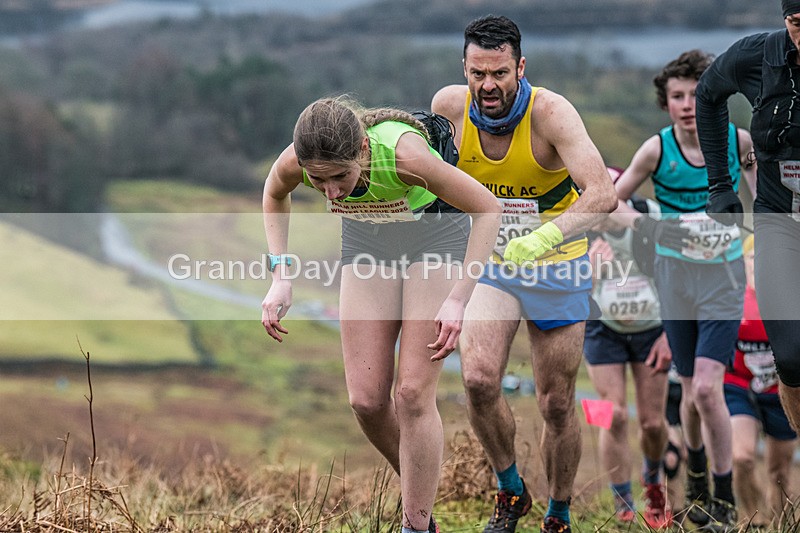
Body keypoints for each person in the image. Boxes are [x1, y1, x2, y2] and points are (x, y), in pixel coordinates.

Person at [260, 96, 501, 533]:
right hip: (369, 241)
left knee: (411, 395)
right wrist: (281, 275)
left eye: (340, 177)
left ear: (363, 154)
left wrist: (459, 298)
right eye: (319, 181)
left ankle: (415, 523)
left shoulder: (406, 156)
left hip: (435, 235)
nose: (330, 192)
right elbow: (274, 192)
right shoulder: (301, 157)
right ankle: (421, 491)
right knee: (367, 401)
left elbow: (488, 209)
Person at [431, 15, 618, 533]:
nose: (487, 86)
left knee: (556, 401)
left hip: (556, 261)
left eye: (499, 73)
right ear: (464, 68)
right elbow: (435, 185)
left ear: (520, 67)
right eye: (477, 73)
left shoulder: (551, 113)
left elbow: (603, 193)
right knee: (477, 379)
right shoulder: (447, 108)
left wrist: (546, 235)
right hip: (491, 264)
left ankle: (558, 512)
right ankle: (510, 491)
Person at [613, 49, 757, 532]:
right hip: (675, 284)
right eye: (678, 96)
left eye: (697, 94)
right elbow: (611, 206)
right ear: (666, 102)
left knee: (709, 391)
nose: (688, 104)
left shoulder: (739, 143)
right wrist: (657, 230)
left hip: (724, 281)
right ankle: (694, 475)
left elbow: (765, 204)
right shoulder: (656, 150)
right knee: (693, 395)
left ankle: (722, 497)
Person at [695, 0, 800, 473]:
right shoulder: (757, 56)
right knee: (793, 358)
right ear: (785, 19)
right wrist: (721, 185)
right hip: (779, 221)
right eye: (799, 25)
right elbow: (708, 95)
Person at [583, 187, 673, 529]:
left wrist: (670, 335)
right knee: (613, 414)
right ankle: (622, 502)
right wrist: (589, 274)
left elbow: (676, 275)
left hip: (653, 330)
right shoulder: (579, 227)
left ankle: (653, 483)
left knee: (652, 422)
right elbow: (568, 295)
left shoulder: (648, 218)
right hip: (602, 330)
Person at [723, 234, 797, 528]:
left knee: (779, 472)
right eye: (751, 259)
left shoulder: (789, 296)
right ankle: (753, 521)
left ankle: (782, 524)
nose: (756, 265)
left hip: (781, 391)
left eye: (761, 259)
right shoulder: (731, 295)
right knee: (742, 458)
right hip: (738, 385)